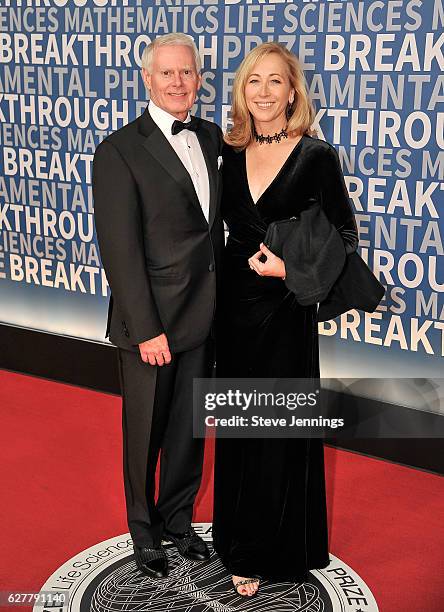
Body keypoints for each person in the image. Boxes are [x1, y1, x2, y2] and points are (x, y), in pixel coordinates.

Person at [212, 42, 359, 596]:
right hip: (233, 310)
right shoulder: (227, 151)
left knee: (274, 432)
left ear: (293, 91)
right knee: (238, 429)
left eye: (276, 81)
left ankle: (261, 550)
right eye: (254, 82)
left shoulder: (315, 155)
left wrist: (289, 268)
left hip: (284, 309)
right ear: (242, 92)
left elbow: (346, 236)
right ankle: (234, 533)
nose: (265, 92)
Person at [92, 33, 224, 579]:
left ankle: (177, 522)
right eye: (166, 74)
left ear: (198, 79)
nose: (177, 83)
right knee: (145, 432)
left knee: (188, 431)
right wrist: (146, 329)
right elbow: (119, 251)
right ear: (147, 79)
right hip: (151, 323)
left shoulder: (214, 137)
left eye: (187, 73)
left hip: (204, 315)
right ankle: (143, 532)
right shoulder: (119, 150)